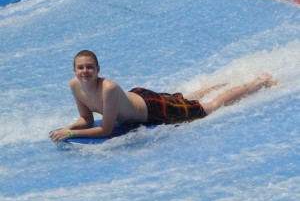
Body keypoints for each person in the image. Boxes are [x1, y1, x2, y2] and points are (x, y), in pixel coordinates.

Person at [49, 50, 278, 142]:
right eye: (80, 68)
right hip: (141, 98)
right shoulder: (74, 85)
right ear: (74, 71)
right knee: (186, 97)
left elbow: (106, 129)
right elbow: (87, 119)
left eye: (90, 67)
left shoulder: (108, 88)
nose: (85, 71)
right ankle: (224, 82)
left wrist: (69, 134)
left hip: (154, 110)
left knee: (208, 107)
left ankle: (260, 81)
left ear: (98, 69)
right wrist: (68, 127)